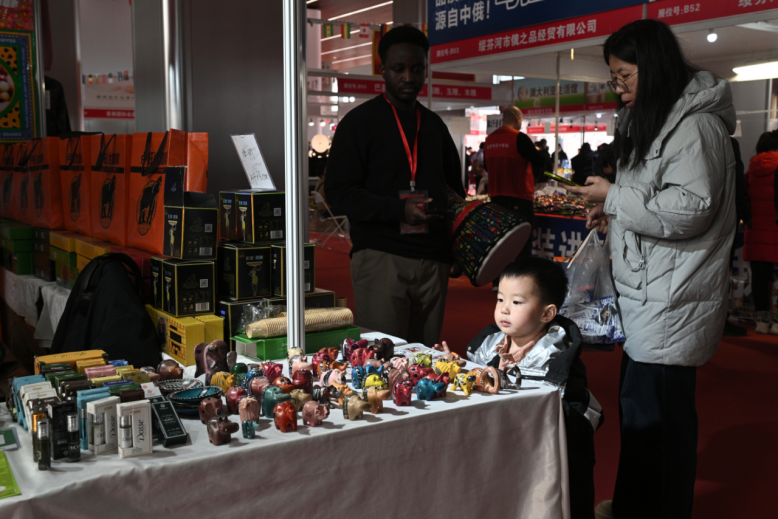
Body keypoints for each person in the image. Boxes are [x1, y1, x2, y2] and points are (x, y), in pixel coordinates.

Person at [564, 19, 736, 519]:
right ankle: (637, 505)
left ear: (654, 67)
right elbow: (656, 202)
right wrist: (613, 212)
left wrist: (615, 196)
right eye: (614, 77)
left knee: (657, 424)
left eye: (624, 76)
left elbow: (689, 209)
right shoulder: (661, 120)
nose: (617, 87)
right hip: (653, 293)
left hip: (673, 297)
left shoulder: (695, 127)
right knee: (643, 417)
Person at [324, 26, 464, 347]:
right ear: (382, 69)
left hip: (433, 262)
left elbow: (454, 193)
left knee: (426, 360)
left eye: (417, 69)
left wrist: (455, 248)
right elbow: (338, 191)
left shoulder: (434, 126)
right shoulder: (359, 123)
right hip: (381, 257)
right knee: (383, 360)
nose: (408, 77)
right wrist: (398, 209)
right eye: (398, 69)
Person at [434, 257, 602, 519]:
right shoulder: (487, 345)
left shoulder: (559, 362)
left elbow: (576, 424)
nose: (504, 309)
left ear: (547, 313)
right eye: (500, 299)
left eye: (517, 302)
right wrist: (457, 368)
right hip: (497, 450)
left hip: (540, 459)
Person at [483, 106, 545, 258]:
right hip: (519, 198)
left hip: (496, 199)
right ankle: (520, 273)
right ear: (518, 119)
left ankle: (501, 273)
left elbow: (487, 167)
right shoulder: (519, 138)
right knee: (521, 244)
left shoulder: (489, 140)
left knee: (500, 242)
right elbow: (539, 161)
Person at [743, 131, 778, 334]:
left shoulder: (751, 171)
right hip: (776, 230)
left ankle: (762, 320)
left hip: (755, 232)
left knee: (759, 278)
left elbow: (743, 200)